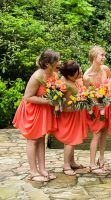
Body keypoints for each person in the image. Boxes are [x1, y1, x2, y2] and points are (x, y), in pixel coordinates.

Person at [13, 50, 60, 181]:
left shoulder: (53, 74)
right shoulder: (37, 76)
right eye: (57, 61)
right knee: (33, 140)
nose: (59, 63)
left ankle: (42, 169)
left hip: (43, 110)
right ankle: (33, 172)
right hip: (33, 110)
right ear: (49, 64)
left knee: (41, 139)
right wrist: (49, 101)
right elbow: (27, 97)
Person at [55, 60, 88, 176]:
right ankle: (66, 165)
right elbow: (63, 104)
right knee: (70, 141)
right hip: (69, 115)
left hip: (76, 113)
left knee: (73, 141)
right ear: (69, 75)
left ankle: (72, 161)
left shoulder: (70, 80)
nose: (80, 73)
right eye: (77, 72)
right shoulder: (65, 84)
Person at [83, 46, 111, 175]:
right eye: (102, 55)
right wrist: (96, 104)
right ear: (94, 56)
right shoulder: (87, 76)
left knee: (104, 133)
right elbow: (86, 96)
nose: (104, 57)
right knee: (96, 134)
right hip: (94, 108)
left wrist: (106, 102)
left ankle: (102, 159)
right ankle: (92, 163)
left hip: (105, 106)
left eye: (104, 55)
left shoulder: (106, 69)